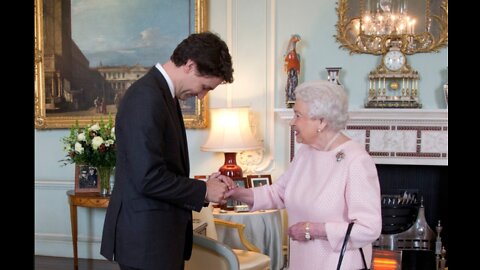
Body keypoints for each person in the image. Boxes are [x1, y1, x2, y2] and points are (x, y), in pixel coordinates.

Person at [101, 32, 235, 270]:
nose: (202, 96)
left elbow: (164, 169)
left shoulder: (163, 95)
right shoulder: (146, 97)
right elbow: (148, 178)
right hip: (146, 244)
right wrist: (204, 190)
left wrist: (206, 185)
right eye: (204, 87)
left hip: (156, 240)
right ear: (190, 65)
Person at [226, 80, 382, 269]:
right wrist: (236, 193)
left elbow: (369, 228)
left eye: (298, 115)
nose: (292, 122)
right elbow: (279, 193)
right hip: (303, 262)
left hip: (337, 264)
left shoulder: (356, 160)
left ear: (322, 121)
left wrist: (313, 230)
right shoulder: (306, 152)